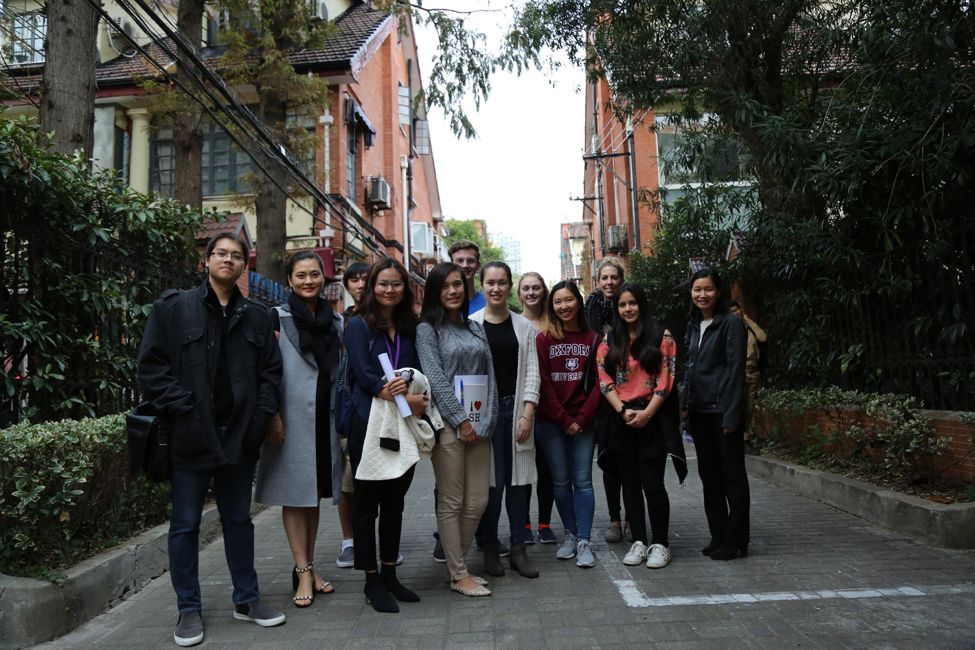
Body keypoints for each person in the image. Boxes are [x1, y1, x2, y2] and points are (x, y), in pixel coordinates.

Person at [138, 232, 285, 647]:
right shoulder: (173, 309)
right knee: (185, 524)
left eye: (236, 256)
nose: (228, 260)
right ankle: (188, 608)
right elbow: (152, 370)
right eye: (220, 253)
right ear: (206, 261)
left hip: (239, 435)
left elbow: (271, 372)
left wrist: (259, 416)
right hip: (191, 434)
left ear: (244, 266)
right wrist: (182, 410)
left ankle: (247, 599)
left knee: (239, 520)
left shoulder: (258, 315)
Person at [253, 252, 343, 608]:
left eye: (315, 275)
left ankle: (306, 566)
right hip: (290, 420)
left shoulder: (334, 320)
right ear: (289, 279)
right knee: (294, 495)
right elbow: (266, 369)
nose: (309, 281)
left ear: (324, 278)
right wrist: (272, 415)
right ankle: (303, 571)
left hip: (325, 419)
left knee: (314, 494)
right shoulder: (275, 316)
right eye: (301, 275)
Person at [344, 258, 428, 613]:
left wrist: (417, 394)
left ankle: (391, 574)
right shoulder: (358, 325)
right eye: (383, 283)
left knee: (395, 501)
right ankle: (371, 580)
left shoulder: (411, 326)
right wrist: (402, 396)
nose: (389, 290)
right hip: (368, 423)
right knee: (366, 507)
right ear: (371, 286)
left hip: (404, 423)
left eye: (396, 284)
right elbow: (364, 375)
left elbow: (420, 369)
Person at [417, 262, 498, 597]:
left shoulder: (476, 328)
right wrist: (461, 420)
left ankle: (456, 570)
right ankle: (459, 572)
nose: (453, 291)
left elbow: (491, 376)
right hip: (449, 426)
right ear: (435, 292)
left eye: (458, 285)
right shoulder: (427, 329)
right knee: (452, 501)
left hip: (480, 427)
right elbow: (434, 378)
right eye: (445, 286)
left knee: (478, 501)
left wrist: (486, 421)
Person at [597, 283, 686, 570]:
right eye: (622, 305)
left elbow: (667, 378)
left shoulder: (662, 336)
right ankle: (639, 541)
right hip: (622, 419)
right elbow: (604, 379)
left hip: (653, 418)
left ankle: (660, 544)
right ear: (617, 309)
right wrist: (623, 411)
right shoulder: (610, 340)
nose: (627, 309)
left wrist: (647, 413)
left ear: (641, 304)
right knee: (630, 485)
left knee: (653, 483)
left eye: (632, 303)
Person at [472, 262, 541, 579]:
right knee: (491, 485)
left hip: (516, 412)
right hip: (485, 415)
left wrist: (528, 413)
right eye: (490, 282)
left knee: (519, 483)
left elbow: (532, 374)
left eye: (502, 282)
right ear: (482, 285)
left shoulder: (523, 326)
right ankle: (489, 548)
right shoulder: (471, 325)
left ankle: (518, 549)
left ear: (510, 286)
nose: (496, 288)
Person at [682, 268, 750, 561]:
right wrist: (686, 406)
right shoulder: (694, 324)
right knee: (709, 477)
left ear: (718, 292)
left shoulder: (731, 323)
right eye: (697, 289)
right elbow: (691, 368)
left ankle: (736, 541)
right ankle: (718, 536)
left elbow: (736, 371)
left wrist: (733, 416)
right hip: (699, 411)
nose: (702, 294)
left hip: (723, 411)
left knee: (732, 479)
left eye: (708, 289)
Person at [535, 280, 603, 568]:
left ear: (578, 302)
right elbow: (543, 383)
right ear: (552, 306)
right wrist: (563, 419)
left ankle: (585, 539)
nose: (563, 306)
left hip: (583, 422)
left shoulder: (594, 339)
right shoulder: (544, 340)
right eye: (558, 301)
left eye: (568, 300)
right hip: (551, 422)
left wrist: (583, 419)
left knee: (583, 481)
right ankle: (571, 536)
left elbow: (601, 384)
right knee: (560, 483)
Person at [586, 258, 631, 545]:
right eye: (605, 277)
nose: (610, 282)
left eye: (614, 277)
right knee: (609, 458)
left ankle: (631, 519)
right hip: (602, 394)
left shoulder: (630, 304)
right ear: (598, 281)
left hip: (631, 392)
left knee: (631, 461)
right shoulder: (589, 307)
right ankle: (614, 518)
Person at [335, 261, 371, 568]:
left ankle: (376, 540)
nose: (360, 284)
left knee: (379, 479)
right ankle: (349, 540)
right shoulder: (340, 322)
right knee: (348, 480)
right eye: (354, 280)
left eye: (365, 279)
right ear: (346, 286)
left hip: (381, 408)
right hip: (349, 408)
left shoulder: (382, 320)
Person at [517, 272, 557, 544]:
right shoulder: (513, 323)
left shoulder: (555, 323)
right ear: (519, 293)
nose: (531, 293)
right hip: (522, 407)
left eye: (536, 288)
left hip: (551, 408)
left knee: (547, 469)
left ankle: (544, 522)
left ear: (544, 291)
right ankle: (524, 523)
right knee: (522, 469)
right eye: (526, 288)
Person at [730, 301, 767, 456]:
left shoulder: (749, 328)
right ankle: (737, 439)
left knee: (750, 407)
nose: (736, 313)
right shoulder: (729, 329)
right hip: (738, 373)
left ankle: (745, 439)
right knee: (739, 406)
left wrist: (748, 320)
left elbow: (763, 338)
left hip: (753, 372)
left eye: (737, 311)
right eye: (732, 312)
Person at [448, 239, 486, 314]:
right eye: (460, 261)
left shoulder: (488, 303)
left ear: (478, 266)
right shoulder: (443, 302)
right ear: (451, 264)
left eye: (470, 261)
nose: (465, 265)